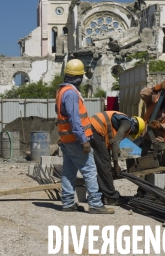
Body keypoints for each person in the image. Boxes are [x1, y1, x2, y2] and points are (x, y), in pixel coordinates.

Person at [56, 59, 114, 214]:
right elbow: (75, 119)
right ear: (78, 77)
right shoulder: (71, 93)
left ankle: (68, 203)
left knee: (69, 172)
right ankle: (95, 203)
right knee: (89, 169)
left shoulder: (62, 91)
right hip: (76, 140)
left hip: (67, 140)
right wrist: (84, 140)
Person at [89, 110, 145, 205]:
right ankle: (110, 197)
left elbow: (112, 142)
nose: (130, 134)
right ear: (135, 127)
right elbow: (115, 143)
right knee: (105, 165)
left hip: (96, 128)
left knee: (103, 164)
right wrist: (116, 165)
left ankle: (103, 194)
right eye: (133, 132)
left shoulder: (122, 119)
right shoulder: (127, 123)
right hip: (96, 129)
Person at [137, 81, 165, 196]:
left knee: (164, 168)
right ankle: (142, 192)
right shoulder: (154, 99)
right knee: (143, 168)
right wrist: (155, 88)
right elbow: (143, 94)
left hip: (162, 142)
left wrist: (160, 126)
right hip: (148, 139)